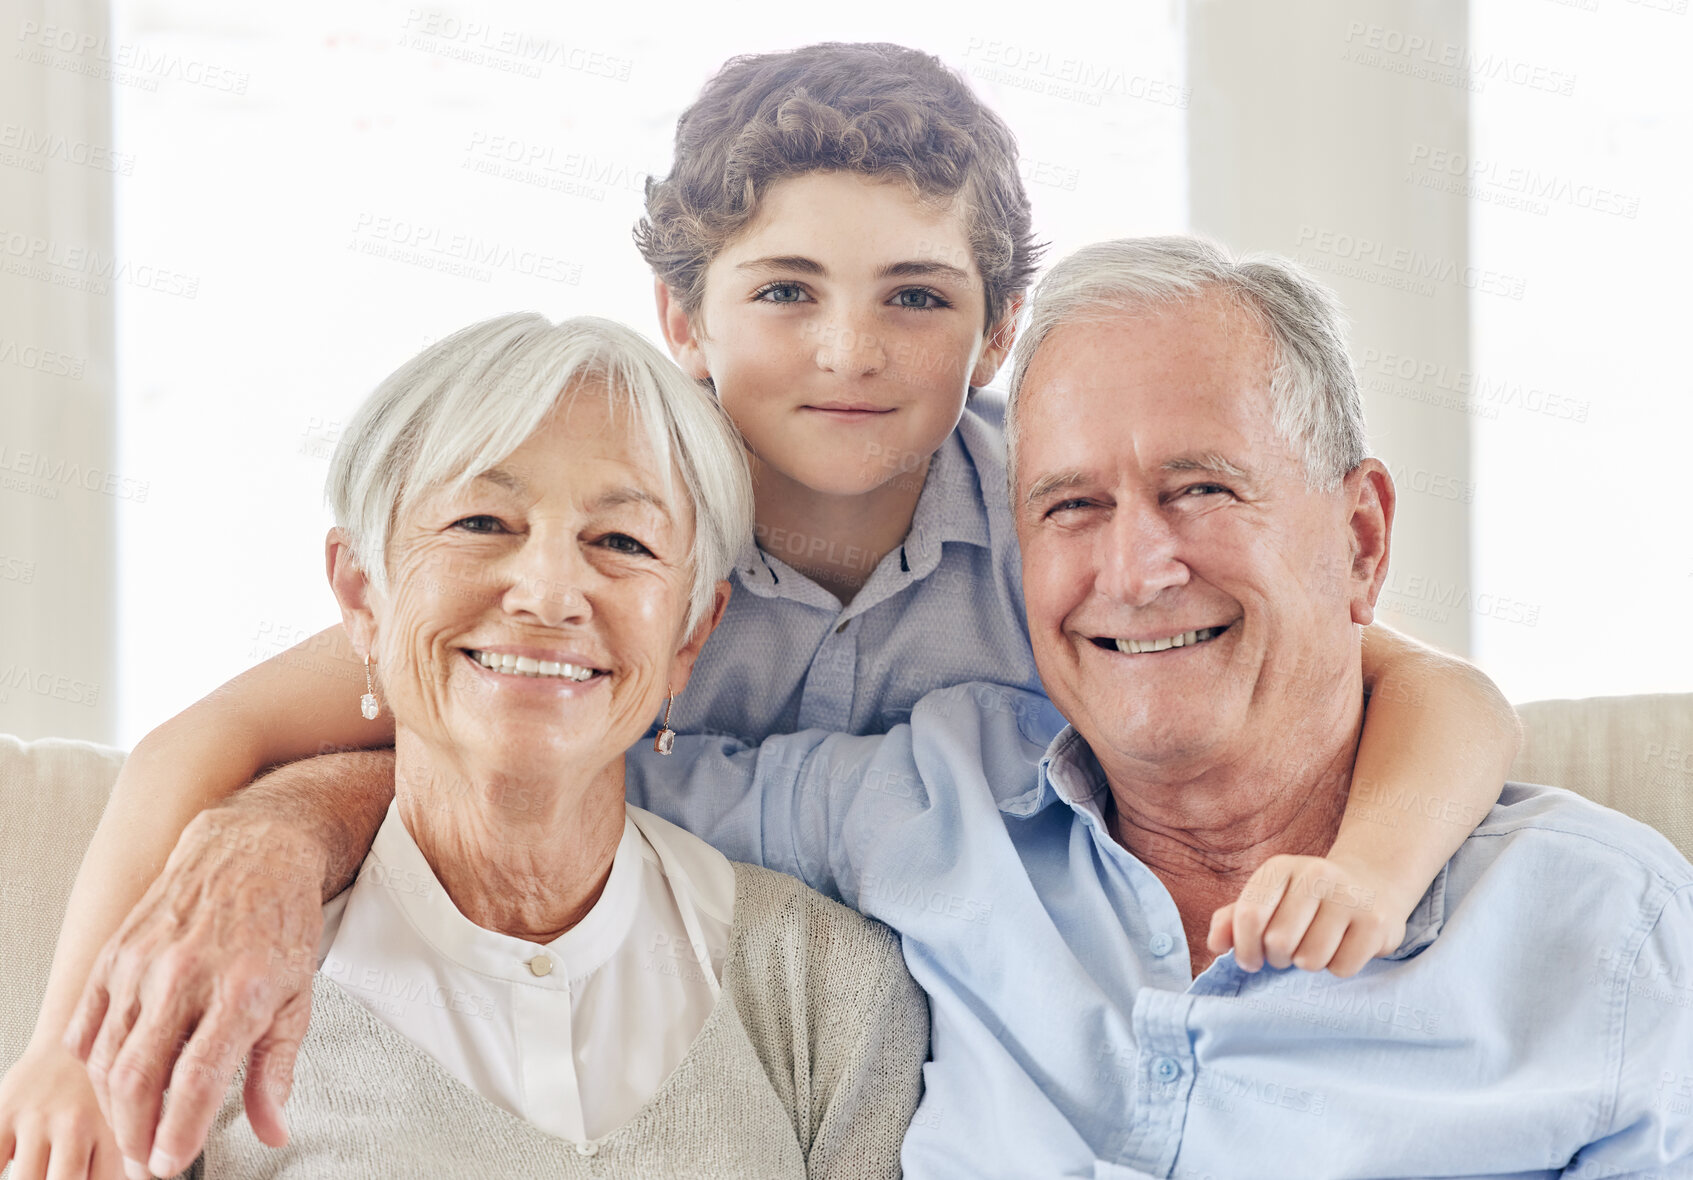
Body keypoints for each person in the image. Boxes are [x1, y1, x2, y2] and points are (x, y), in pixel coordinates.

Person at [2, 44, 1520, 1180]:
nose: (849, 350)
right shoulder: (621, 538)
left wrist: (1373, 869)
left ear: (994, 335)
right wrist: (84, 1038)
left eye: (918, 298)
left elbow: (1429, 690)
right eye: (783, 292)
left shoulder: (1059, 526)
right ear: (683, 319)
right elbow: (232, 734)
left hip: (964, 1043)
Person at [162, 314, 930, 1178]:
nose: (550, 592)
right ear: (361, 594)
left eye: (621, 541)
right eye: (483, 522)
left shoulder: (827, 986)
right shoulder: (216, 979)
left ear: (690, 636)